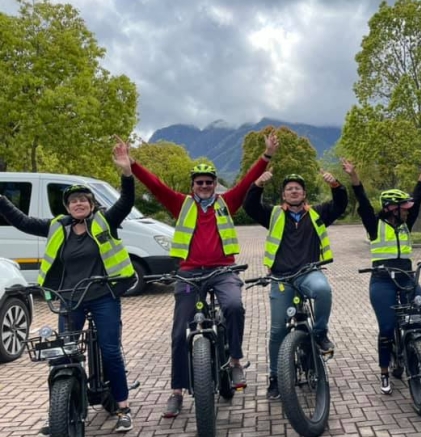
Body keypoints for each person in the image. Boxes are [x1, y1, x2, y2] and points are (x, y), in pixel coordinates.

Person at [126, 132, 277, 417]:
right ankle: (177, 392)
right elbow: (155, 185)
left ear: (215, 184)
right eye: (200, 183)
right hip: (189, 273)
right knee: (180, 331)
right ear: (192, 186)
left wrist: (266, 155)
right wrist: (132, 164)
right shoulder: (181, 204)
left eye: (209, 182)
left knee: (233, 306)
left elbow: (246, 182)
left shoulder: (226, 203)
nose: (205, 186)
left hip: (223, 271)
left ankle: (234, 361)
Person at [0, 140, 137, 433]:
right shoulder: (57, 226)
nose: (78, 203)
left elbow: (125, 203)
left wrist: (127, 173)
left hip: (103, 297)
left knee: (111, 351)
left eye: (83, 200)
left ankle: (124, 408)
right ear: (66, 206)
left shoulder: (104, 221)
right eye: (73, 201)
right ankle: (61, 412)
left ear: (91, 204)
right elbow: (22, 221)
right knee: (61, 354)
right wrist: (1, 199)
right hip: (69, 300)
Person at [243, 167, 348, 400]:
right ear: (283, 195)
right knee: (278, 330)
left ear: (304, 194)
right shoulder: (273, 215)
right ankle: (275, 378)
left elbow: (340, 205)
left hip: (309, 272)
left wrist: (336, 186)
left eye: (297, 189)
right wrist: (258, 184)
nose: (293, 191)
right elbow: (249, 206)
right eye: (289, 189)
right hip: (281, 278)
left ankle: (320, 333)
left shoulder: (317, 214)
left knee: (323, 290)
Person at [342, 157, 421, 395]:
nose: (409, 212)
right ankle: (384, 371)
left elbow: (418, 194)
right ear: (392, 208)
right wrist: (353, 175)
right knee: (387, 327)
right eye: (404, 207)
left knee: (419, 319)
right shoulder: (374, 225)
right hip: (382, 281)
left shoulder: (405, 223)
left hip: (407, 279)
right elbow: (361, 199)